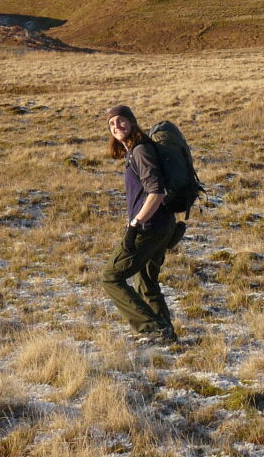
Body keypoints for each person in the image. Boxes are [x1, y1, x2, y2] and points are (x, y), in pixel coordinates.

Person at [100, 105, 180, 346]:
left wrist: (135, 225)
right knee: (146, 281)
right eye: (112, 124)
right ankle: (167, 336)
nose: (117, 127)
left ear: (132, 122)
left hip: (149, 227)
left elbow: (156, 192)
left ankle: (153, 329)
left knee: (111, 277)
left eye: (121, 121)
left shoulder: (141, 150)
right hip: (162, 225)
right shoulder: (134, 151)